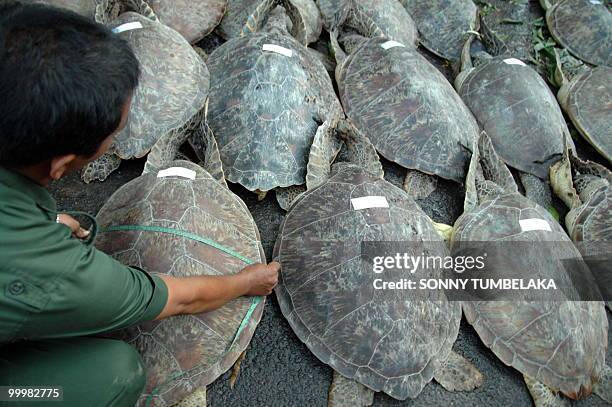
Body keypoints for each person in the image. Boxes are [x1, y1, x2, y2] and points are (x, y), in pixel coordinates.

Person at [0, 2, 280, 406]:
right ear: (62, 165)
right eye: (114, 134)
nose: (117, 140)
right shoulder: (51, 271)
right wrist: (246, 282)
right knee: (114, 371)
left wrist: (44, 222)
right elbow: (177, 298)